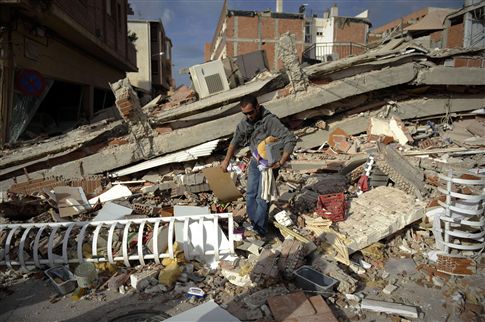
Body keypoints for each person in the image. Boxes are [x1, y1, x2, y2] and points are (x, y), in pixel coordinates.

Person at [221, 95, 296, 236]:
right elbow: (235, 140)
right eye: (245, 114)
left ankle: (260, 231)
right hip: (255, 161)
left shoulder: (270, 121)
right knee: (250, 194)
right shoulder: (245, 123)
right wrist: (226, 160)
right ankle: (255, 223)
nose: (249, 116)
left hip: (269, 165)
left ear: (257, 107)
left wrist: (281, 161)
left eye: (251, 112)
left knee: (262, 197)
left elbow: (290, 138)